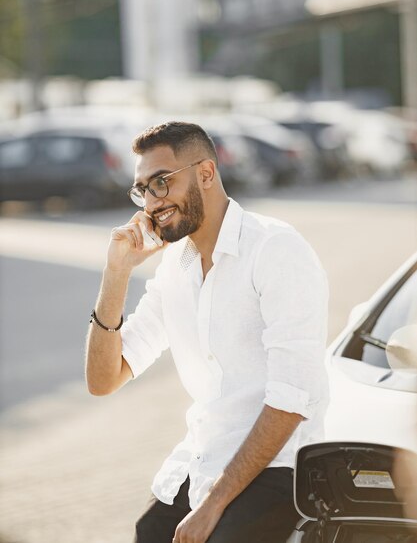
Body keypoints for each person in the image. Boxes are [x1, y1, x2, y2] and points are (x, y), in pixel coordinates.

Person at [85, 121, 329, 543]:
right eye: (142, 189)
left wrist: (214, 503)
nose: (151, 203)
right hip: (202, 461)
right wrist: (116, 272)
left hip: (279, 469)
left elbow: (292, 399)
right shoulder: (175, 266)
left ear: (206, 173)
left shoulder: (275, 249)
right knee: (150, 533)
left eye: (161, 182)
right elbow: (104, 379)